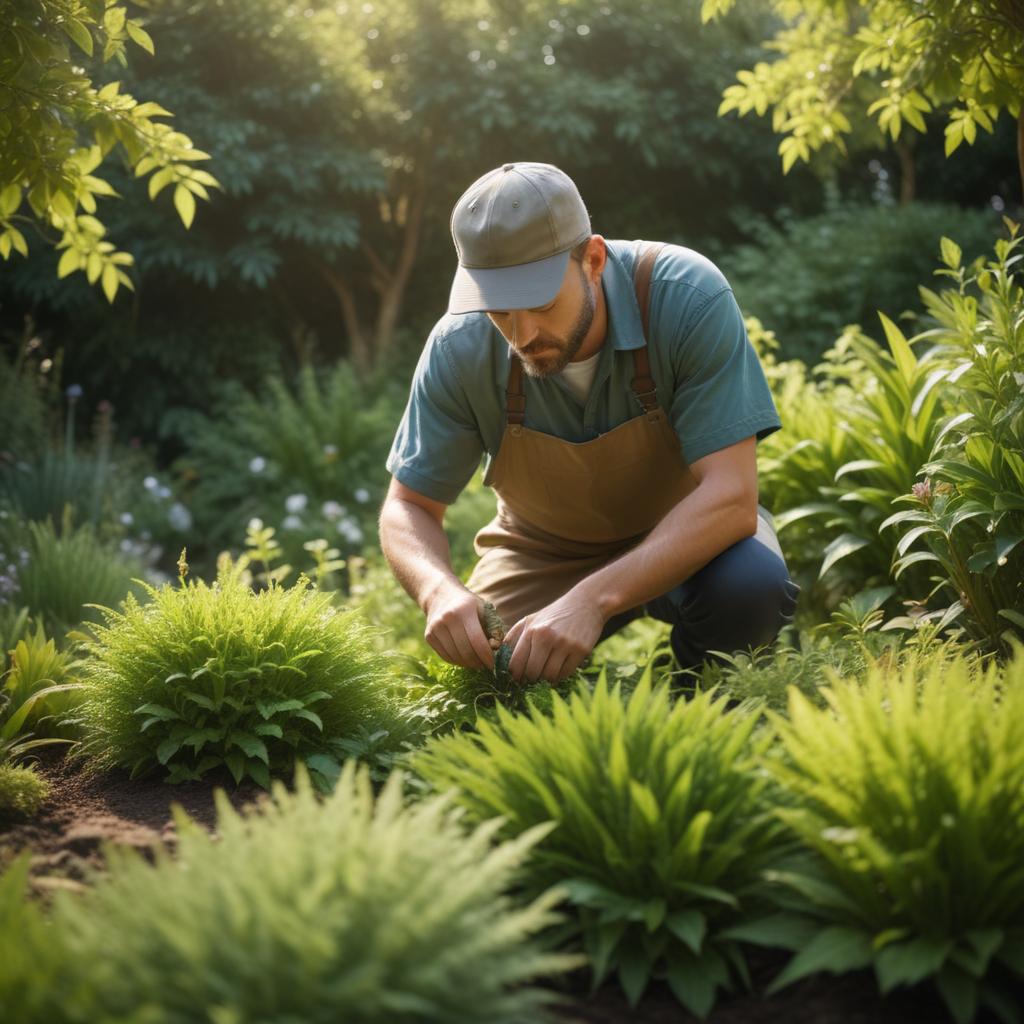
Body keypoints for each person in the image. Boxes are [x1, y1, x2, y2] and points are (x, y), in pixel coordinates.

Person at [379, 161, 800, 684]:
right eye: (498, 310)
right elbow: (407, 506)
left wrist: (593, 599)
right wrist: (437, 589)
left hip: (688, 529)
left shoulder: (685, 295)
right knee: (492, 675)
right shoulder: (459, 345)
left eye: (540, 302)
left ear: (593, 259)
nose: (522, 333)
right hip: (541, 549)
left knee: (750, 588)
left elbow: (732, 498)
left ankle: (699, 703)